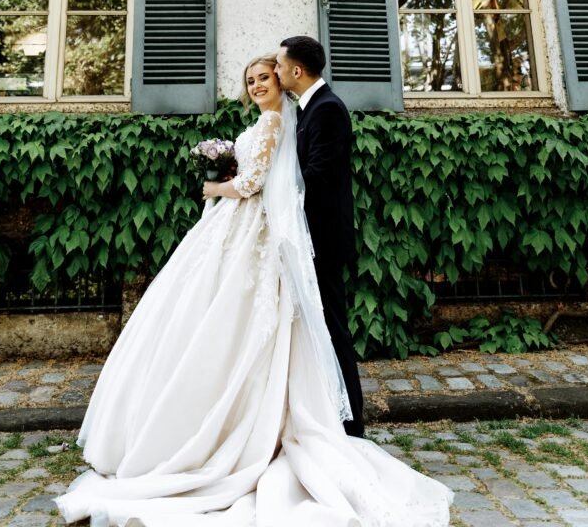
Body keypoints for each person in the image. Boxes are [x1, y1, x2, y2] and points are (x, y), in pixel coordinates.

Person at [56, 54, 452, 527]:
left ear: (285, 78)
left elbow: (255, 183)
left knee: (242, 322)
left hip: (251, 229)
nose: (259, 83)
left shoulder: (279, 121)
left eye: (266, 76)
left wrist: (215, 188)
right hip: (239, 231)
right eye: (252, 80)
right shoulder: (274, 119)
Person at [275, 35, 364, 436]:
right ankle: (326, 417)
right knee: (318, 328)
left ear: (296, 70)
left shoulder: (327, 110)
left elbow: (318, 177)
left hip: (323, 242)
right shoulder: (307, 109)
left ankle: (353, 426)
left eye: (279, 66)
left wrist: (270, 196)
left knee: (333, 329)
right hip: (307, 238)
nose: (275, 73)